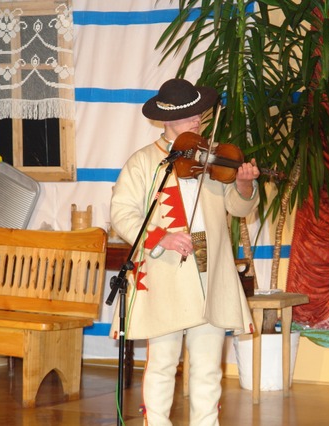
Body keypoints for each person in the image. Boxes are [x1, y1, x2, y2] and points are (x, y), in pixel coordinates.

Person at [110, 78, 259, 425]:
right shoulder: (144, 161)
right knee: (162, 363)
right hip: (166, 272)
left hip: (211, 268)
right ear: (166, 120)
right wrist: (161, 237)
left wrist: (244, 184)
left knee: (208, 367)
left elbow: (239, 208)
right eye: (189, 115)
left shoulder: (215, 157)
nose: (197, 120)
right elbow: (121, 214)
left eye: (198, 113)